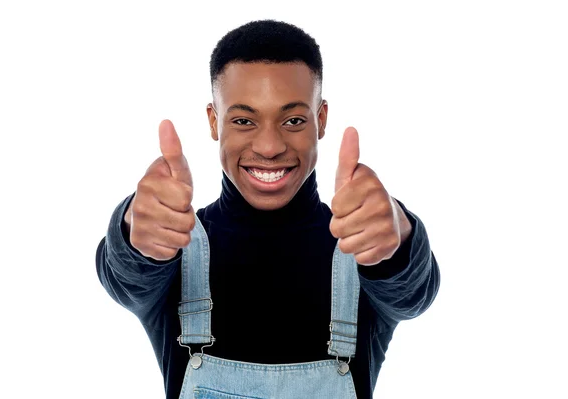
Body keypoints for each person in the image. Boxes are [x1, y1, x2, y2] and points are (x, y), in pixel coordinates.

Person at [96, 19, 440, 399]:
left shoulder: (364, 245)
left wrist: (400, 234)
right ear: (214, 122)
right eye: (244, 120)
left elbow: (414, 292)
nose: (270, 146)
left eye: (293, 120)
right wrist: (132, 229)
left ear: (320, 120)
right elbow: (123, 275)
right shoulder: (174, 247)